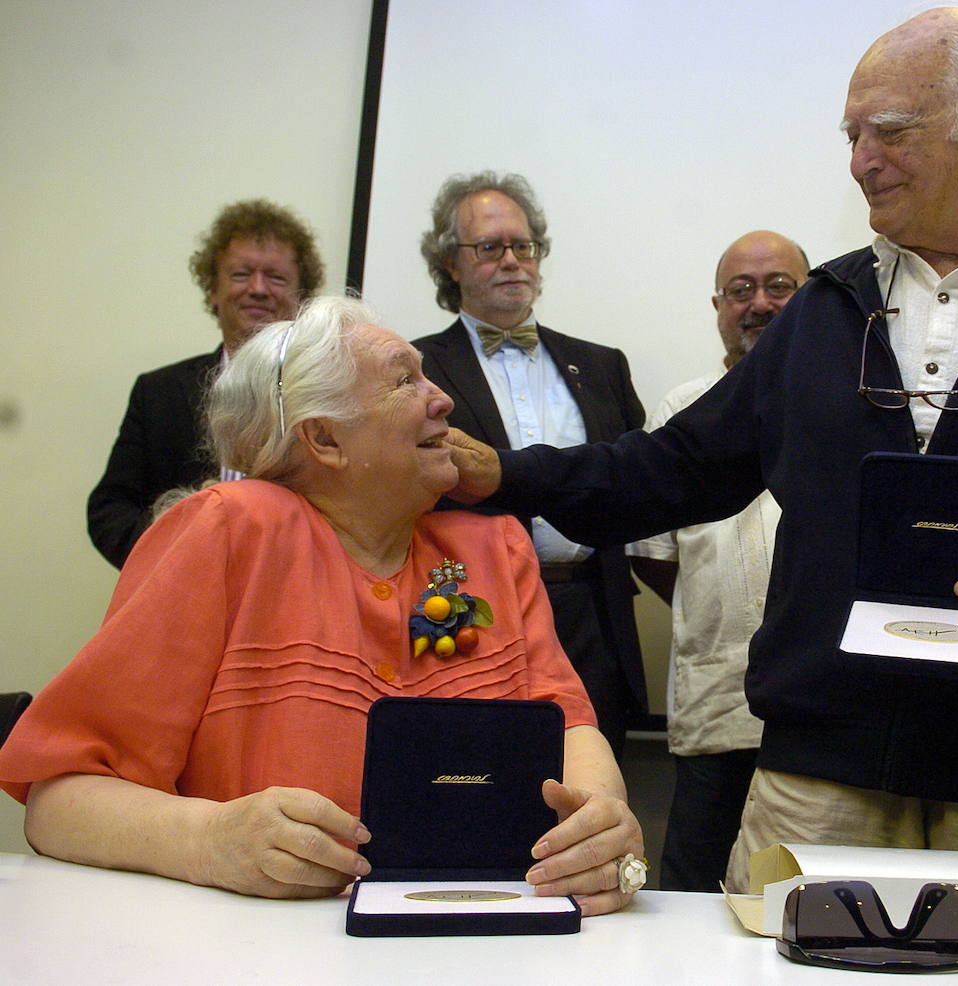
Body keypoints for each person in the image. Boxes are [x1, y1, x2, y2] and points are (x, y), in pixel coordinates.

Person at [440, 7, 958, 906]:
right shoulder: (825, 311)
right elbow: (669, 470)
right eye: (853, 134)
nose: (861, 159)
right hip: (822, 783)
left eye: (890, 131)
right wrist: (504, 476)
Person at [2, 297, 644, 914]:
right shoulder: (230, 531)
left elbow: (570, 731)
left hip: (489, 941)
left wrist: (600, 831)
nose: (444, 398)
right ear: (325, 440)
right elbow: (60, 801)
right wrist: (209, 840)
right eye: (404, 383)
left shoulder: (494, 547)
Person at [414, 172, 647, 760]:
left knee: (592, 787)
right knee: (478, 778)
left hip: (590, 614)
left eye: (525, 246)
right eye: (490, 248)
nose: (513, 260)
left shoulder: (602, 367)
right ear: (451, 264)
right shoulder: (415, 368)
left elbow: (632, 485)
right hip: (472, 610)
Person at [627, 230, 808, 892]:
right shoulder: (681, 408)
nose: (759, 303)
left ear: (810, 297)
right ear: (718, 306)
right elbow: (654, 556)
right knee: (694, 890)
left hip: (814, 711)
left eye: (780, 286)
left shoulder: (848, 403)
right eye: (741, 291)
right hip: (716, 702)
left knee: (801, 896)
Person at [87, 199, 325, 568]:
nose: (258, 289)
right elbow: (110, 509)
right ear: (213, 290)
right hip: (180, 596)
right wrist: (172, 558)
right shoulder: (158, 392)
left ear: (302, 298)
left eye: (276, 277)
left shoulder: (328, 392)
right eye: (241, 274)